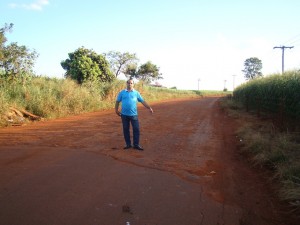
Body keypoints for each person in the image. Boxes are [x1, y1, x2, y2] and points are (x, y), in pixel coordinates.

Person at [115, 79, 153, 151]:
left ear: (133, 84)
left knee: (136, 129)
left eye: (131, 83)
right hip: (124, 115)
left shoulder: (136, 93)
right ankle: (128, 144)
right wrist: (116, 110)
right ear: (126, 84)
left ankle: (136, 144)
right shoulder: (122, 93)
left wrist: (149, 108)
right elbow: (117, 101)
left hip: (133, 115)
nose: (130, 84)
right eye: (128, 83)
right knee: (126, 129)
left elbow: (143, 101)